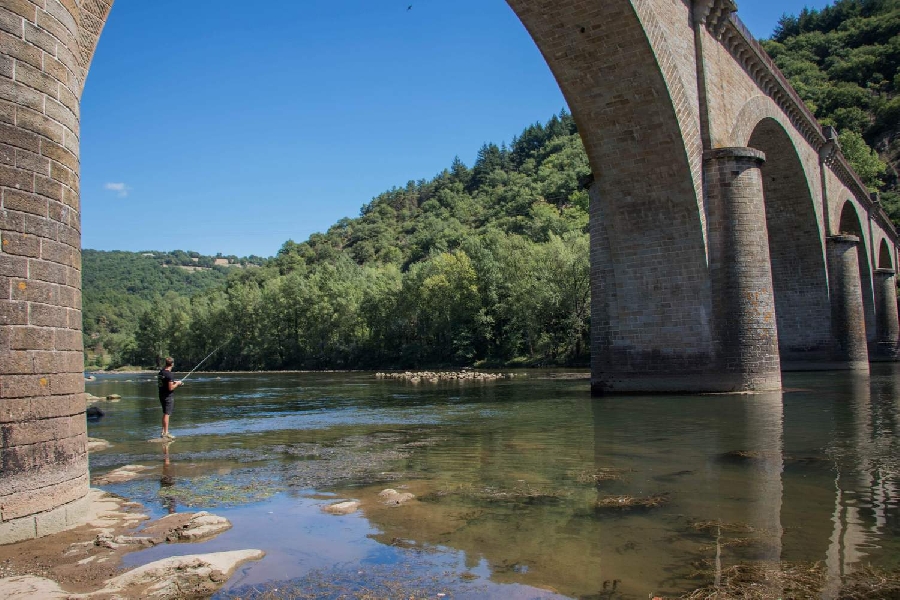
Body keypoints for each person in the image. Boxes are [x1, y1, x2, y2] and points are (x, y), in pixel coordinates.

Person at [157, 357, 183, 439]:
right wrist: (178, 383)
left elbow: (166, 383)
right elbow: (170, 388)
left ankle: (163, 431)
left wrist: (174, 382)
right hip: (168, 396)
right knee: (167, 414)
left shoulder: (161, 372)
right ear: (172, 364)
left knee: (165, 413)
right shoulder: (169, 374)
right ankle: (166, 433)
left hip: (161, 394)